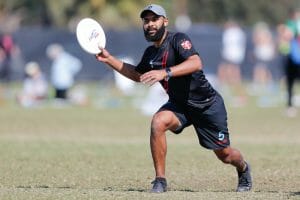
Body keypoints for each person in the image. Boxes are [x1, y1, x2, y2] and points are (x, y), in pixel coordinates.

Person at [95, 4, 252, 193]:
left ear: (165, 21)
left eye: (155, 19)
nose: (150, 24)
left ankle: (243, 167)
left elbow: (196, 63)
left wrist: (165, 72)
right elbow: (137, 75)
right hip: (179, 105)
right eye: (146, 21)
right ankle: (160, 180)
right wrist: (109, 59)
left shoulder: (178, 40)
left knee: (225, 155)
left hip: (207, 105)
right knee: (158, 122)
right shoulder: (150, 53)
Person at [217, 20, 247, 107]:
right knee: (229, 74)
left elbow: (227, 45)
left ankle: (241, 97)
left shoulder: (230, 32)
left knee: (234, 77)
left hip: (231, 55)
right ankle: (237, 95)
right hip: (236, 56)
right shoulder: (240, 32)